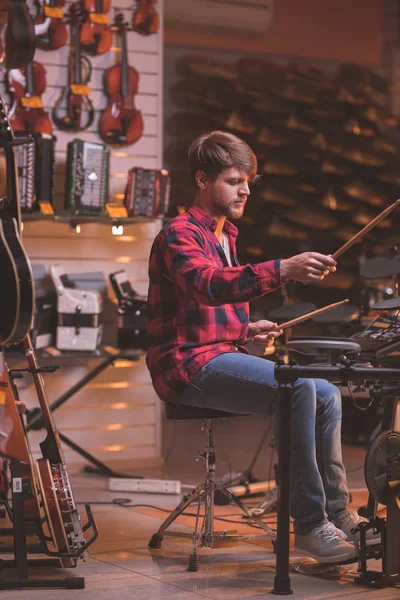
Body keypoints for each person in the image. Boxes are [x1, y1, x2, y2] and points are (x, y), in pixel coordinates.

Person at [146, 130, 379, 563]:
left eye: (247, 180)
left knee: (326, 392)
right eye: (235, 180)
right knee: (299, 387)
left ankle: (336, 514)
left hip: (218, 353)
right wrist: (285, 268)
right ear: (202, 180)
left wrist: (246, 329)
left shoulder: (225, 236)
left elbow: (210, 311)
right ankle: (309, 527)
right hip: (185, 365)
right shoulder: (179, 233)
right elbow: (207, 285)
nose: (246, 189)